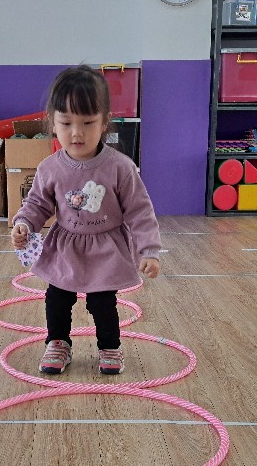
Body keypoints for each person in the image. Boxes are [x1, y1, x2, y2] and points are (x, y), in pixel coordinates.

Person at [10, 65, 161, 376]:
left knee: (103, 302)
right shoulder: (49, 168)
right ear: (53, 123)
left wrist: (148, 251)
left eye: (88, 122)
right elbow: (37, 203)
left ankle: (110, 346)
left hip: (105, 248)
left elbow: (139, 211)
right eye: (66, 123)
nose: (76, 133)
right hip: (65, 246)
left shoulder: (120, 167)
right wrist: (24, 223)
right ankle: (58, 342)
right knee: (56, 298)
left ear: (104, 122)